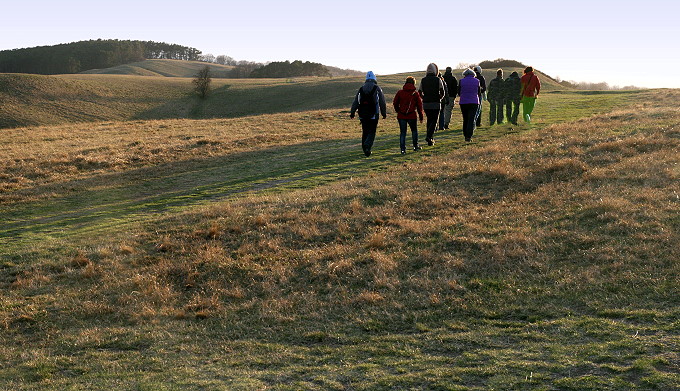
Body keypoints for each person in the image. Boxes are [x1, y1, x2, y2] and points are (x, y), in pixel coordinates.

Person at [350, 71, 387, 156]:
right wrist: (384, 113)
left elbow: (356, 101)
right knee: (372, 131)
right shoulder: (377, 88)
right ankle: (368, 146)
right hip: (374, 114)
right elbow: (382, 102)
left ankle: (365, 149)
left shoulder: (361, 88)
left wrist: (352, 113)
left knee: (365, 131)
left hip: (362, 114)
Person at [393, 76, 424, 154]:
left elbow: (395, 103)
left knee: (403, 132)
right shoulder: (415, 94)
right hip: (412, 115)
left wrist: (398, 110)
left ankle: (403, 149)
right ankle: (415, 146)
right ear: (413, 83)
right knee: (414, 131)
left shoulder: (400, 92)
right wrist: (421, 117)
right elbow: (419, 107)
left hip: (401, 115)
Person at [418, 63, 445, 146]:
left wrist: (423, 98)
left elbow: (419, 91)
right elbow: (442, 91)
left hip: (426, 103)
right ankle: (429, 136)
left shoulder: (423, 80)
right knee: (434, 121)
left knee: (429, 120)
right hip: (435, 103)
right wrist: (439, 98)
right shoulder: (438, 79)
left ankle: (430, 137)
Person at [458, 68, 481, 142]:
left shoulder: (461, 81)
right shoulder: (477, 81)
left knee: (465, 119)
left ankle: (465, 135)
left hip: (463, 102)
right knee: (471, 119)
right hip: (474, 102)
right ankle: (469, 136)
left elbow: (459, 92)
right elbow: (479, 93)